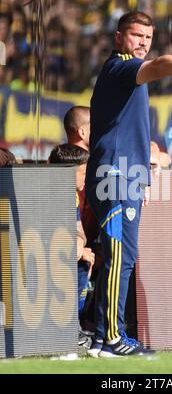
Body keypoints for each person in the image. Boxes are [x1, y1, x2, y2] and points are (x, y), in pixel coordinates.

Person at [86, 11, 172, 357]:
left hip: (126, 178)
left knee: (124, 256)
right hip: (113, 177)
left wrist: (143, 176)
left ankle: (106, 336)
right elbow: (161, 65)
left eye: (147, 38)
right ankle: (112, 340)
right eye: (136, 36)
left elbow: (129, 133)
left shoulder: (130, 78)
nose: (142, 43)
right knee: (119, 255)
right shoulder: (121, 66)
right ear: (119, 37)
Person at [48, 143, 95, 346]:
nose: (86, 178)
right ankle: (66, 330)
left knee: (85, 260)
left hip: (58, 252)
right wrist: (76, 248)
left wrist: (79, 243)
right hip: (39, 258)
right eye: (83, 172)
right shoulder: (49, 193)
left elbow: (78, 230)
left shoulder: (72, 195)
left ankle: (74, 325)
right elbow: (46, 237)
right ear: (67, 173)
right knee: (81, 261)